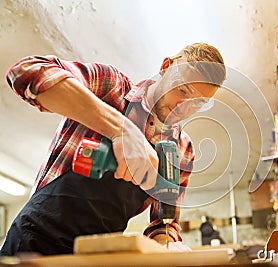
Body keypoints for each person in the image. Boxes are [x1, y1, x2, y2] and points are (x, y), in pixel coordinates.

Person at [0, 43, 226, 256]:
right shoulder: (111, 87)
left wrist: (167, 245)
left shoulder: (182, 150)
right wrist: (122, 130)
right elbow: (25, 72)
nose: (183, 107)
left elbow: (163, 223)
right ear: (166, 67)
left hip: (98, 253)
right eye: (183, 91)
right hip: (36, 239)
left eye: (197, 103)